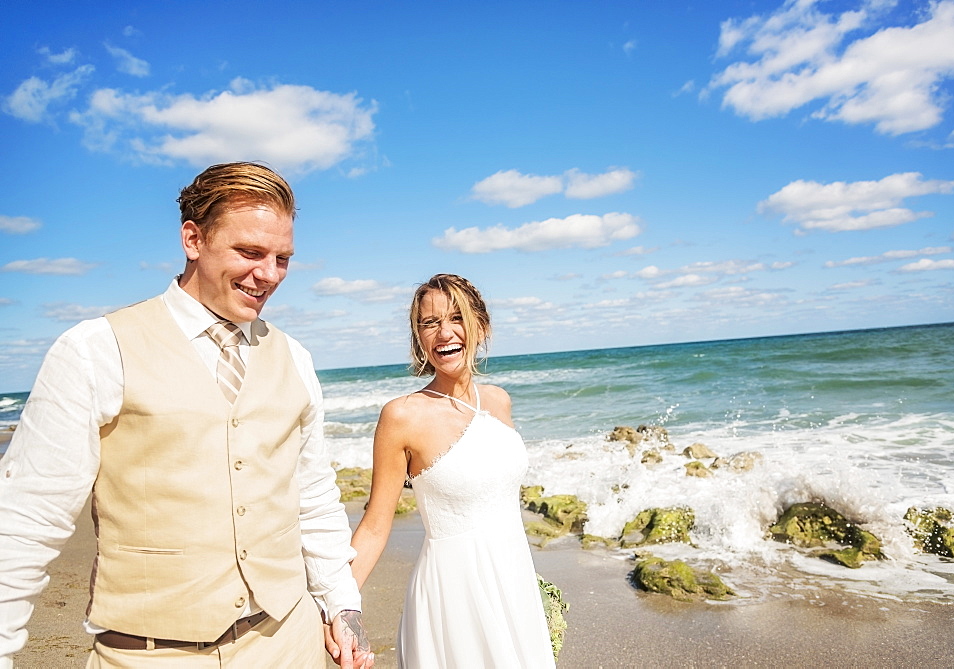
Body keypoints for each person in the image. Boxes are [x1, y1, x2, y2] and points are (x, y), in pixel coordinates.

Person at [0, 162, 374, 669]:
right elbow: (26, 520)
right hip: (149, 655)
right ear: (193, 239)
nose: (268, 274)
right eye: (250, 252)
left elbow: (311, 496)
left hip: (288, 643)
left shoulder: (296, 359)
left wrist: (342, 603)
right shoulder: (95, 349)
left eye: (282, 257)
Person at [350, 273, 556, 668]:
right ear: (419, 339)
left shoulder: (499, 401)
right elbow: (375, 525)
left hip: (514, 584)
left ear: (483, 325)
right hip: (453, 598)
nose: (444, 333)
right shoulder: (402, 416)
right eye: (429, 323)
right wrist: (341, 606)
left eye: (456, 317)